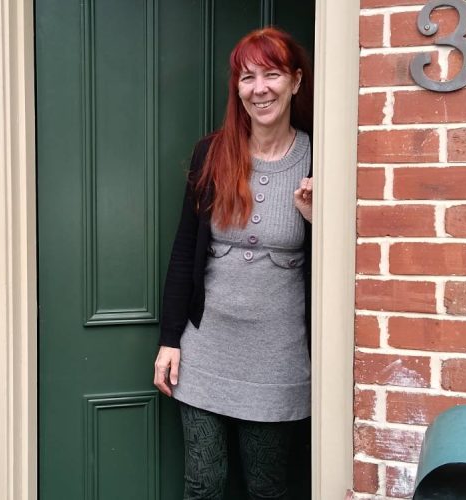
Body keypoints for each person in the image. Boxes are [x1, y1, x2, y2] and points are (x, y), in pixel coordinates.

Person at [153, 27, 314, 500]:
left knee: (267, 487)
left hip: (280, 354)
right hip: (206, 349)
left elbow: (348, 266)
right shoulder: (213, 153)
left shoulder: (320, 158)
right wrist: (169, 340)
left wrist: (316, 223)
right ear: (237, 88)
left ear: (296, 81)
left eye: (272, 74)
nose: (259, 88)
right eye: (247, 78)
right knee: (204, 484)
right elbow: (184, 252)